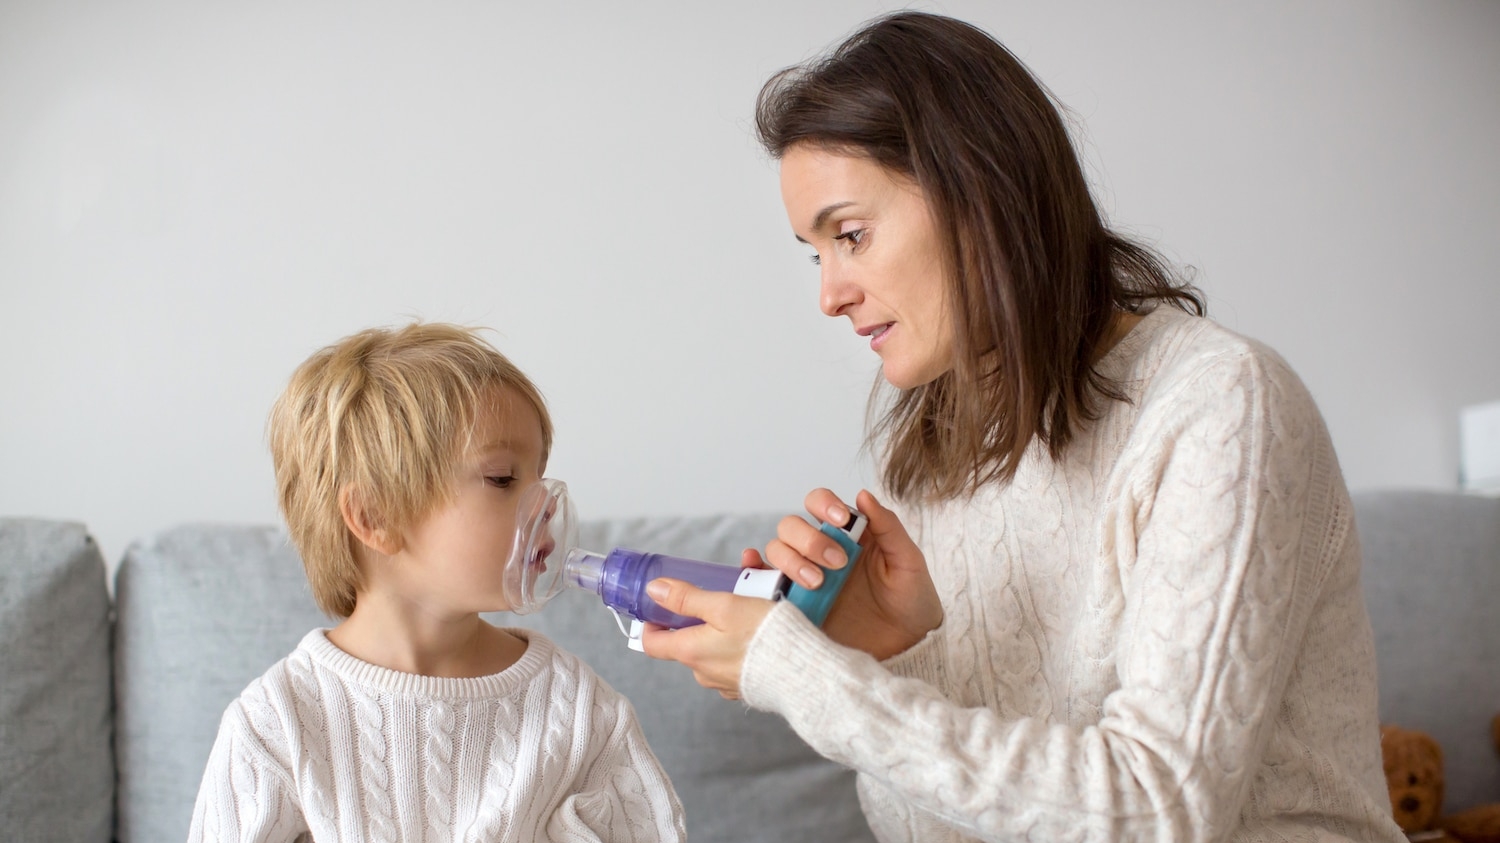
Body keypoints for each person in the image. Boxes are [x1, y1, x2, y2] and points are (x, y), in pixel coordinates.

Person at [641, 12, 1404, 843]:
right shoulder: (927, 459)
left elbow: (1160, 812)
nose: (830, 293)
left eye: (851, 236)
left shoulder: (1222, 406)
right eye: (815, 253)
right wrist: (893, 654)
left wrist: (808, 675)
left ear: (981, 194)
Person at [188, 322, 685, 842]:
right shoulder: (278, 724)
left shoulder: (580, 714)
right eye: (502, 478)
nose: (544, 508)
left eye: (540, 475)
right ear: (374, 516)